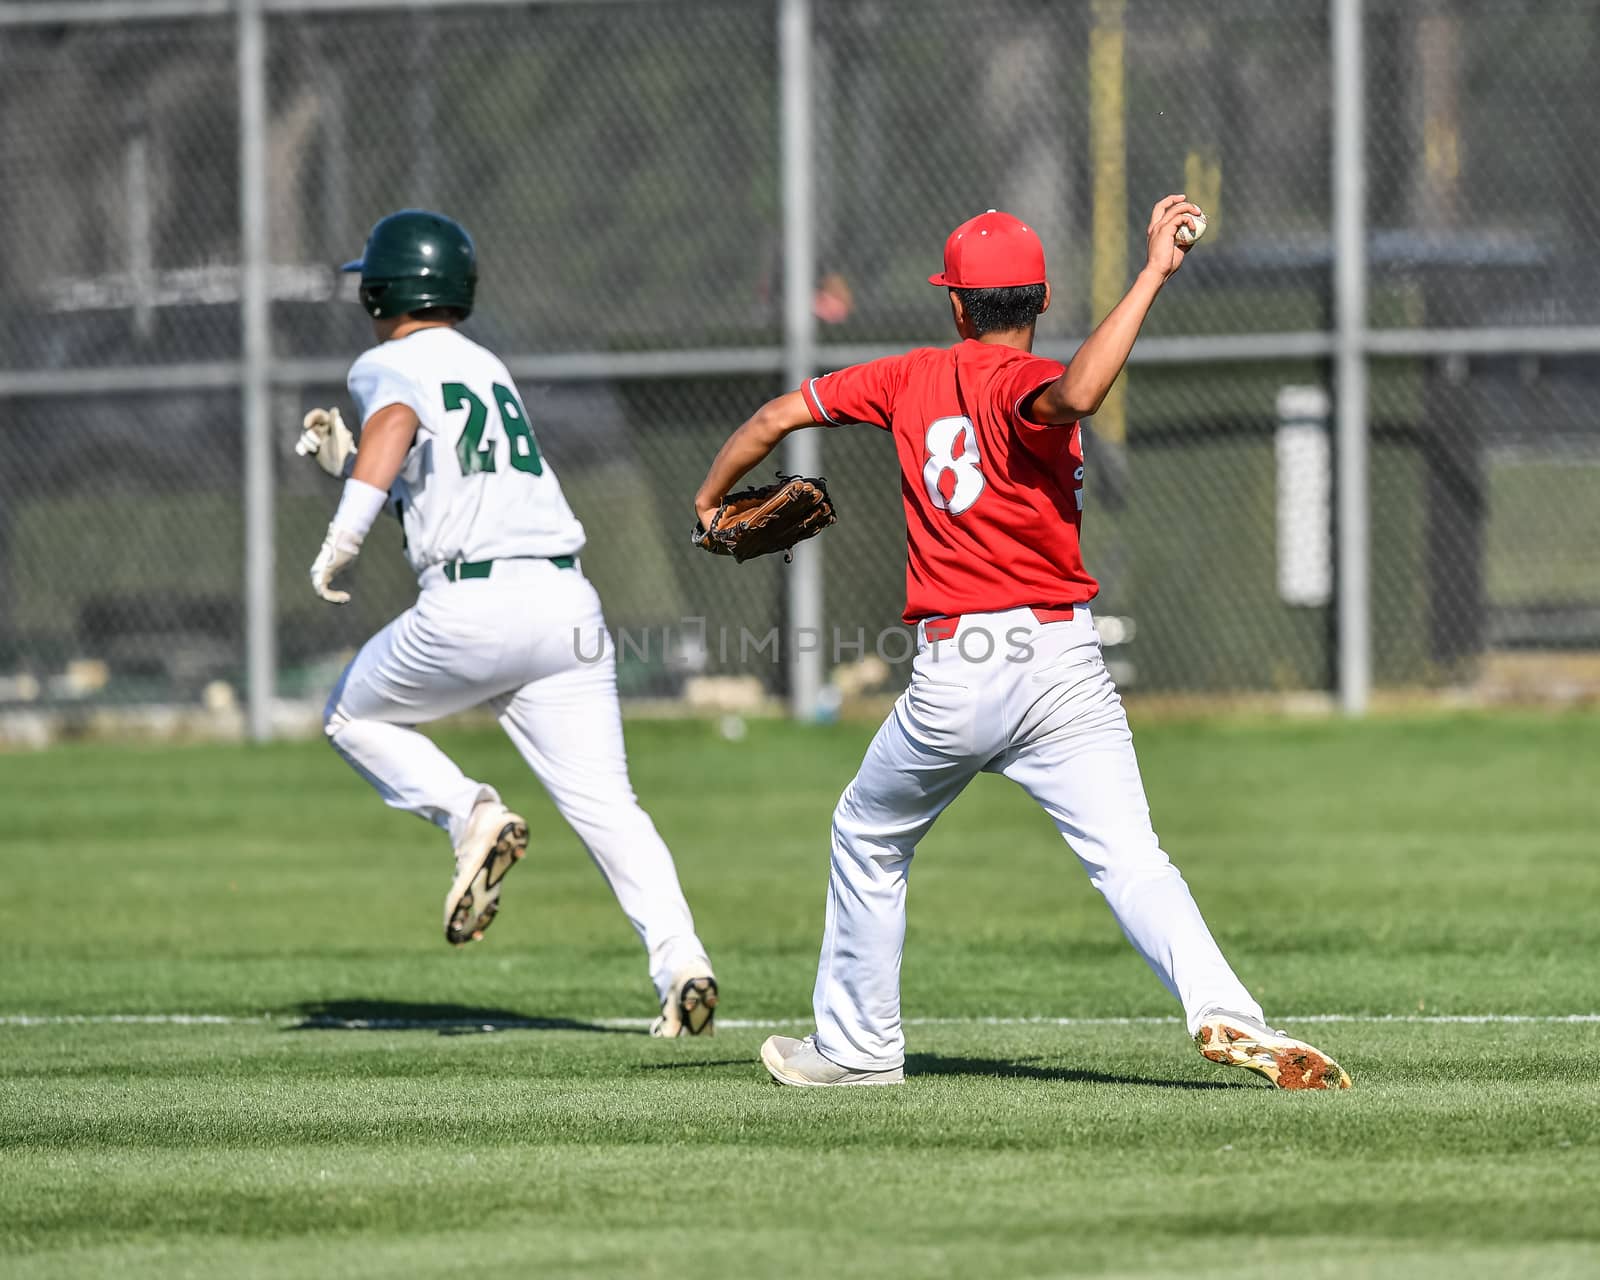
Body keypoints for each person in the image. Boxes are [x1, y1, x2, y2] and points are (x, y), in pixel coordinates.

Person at [693, 199, 1350, 1088]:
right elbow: (1074, 392)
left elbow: (776, 418)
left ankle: (856, 1051)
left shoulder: (904, 377)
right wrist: (1153, 270)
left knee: (869, 832)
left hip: (958, 673)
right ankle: (1227, 1009)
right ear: (1037, 302)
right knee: (1131, 859)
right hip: (1064, 667)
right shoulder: (1021, 382)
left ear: (956, 305)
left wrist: (709, 499)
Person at [297, 209, 717, 1037]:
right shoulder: (487, 365)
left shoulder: (386, 362)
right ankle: (682, 964)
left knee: (349, 715)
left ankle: (469, 815)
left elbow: (394, 427)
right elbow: (443, 481)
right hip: (565, 603)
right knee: (609, 806)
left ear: (383, 287)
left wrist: (342, 530)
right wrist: (352, 469)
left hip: (474, 604)